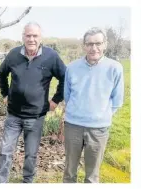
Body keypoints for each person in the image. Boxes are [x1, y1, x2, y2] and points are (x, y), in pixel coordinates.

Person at [0, 22, 66, 183]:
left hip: (35, 117)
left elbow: (65, 78)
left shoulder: (51, 56)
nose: (31, 39)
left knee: (30, 154)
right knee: (5, 151)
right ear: (23, 37)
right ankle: (1, 182)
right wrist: (5, 93)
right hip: (13, 115)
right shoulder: (13, 54)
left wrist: (56, 100)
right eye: (28, 35)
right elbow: (1, 73)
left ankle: (27, 182)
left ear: (40, 38)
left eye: (35, 36)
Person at [63, 27, 124, 183]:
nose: (94, 48)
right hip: (73, 126)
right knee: (69, 172)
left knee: (92, 176)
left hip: (98, 129)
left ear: (105, 44)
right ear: (84, 46)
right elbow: (67, 96)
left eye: (98, 43)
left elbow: (117, 101)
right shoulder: (72, 67)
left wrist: (100, 116)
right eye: (89, 44)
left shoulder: (115, 68)